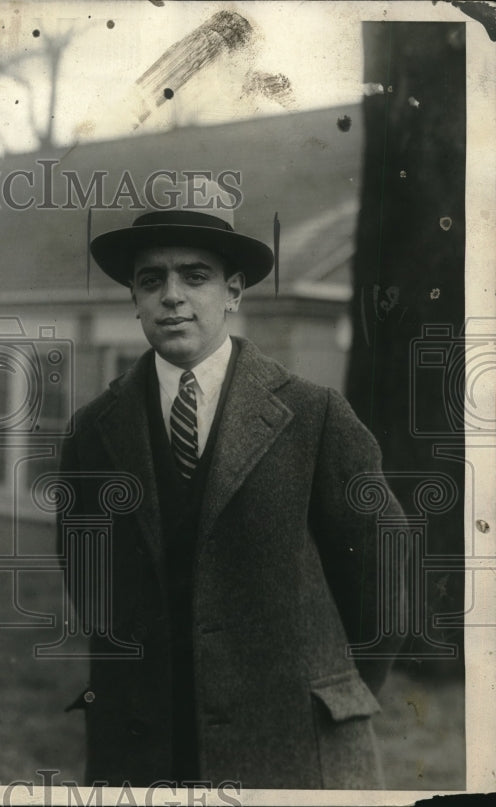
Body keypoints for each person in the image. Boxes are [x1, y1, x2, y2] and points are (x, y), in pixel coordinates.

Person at [58, 184, 405, 789]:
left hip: (292, 749)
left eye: (195, 276)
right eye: (151, 280)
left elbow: (387, 584)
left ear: (234, 292)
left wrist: (333, 691)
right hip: (146, 748)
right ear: (134, 301)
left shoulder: (314, 416)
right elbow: (91, 587)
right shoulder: (94, 430)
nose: (172, 297)